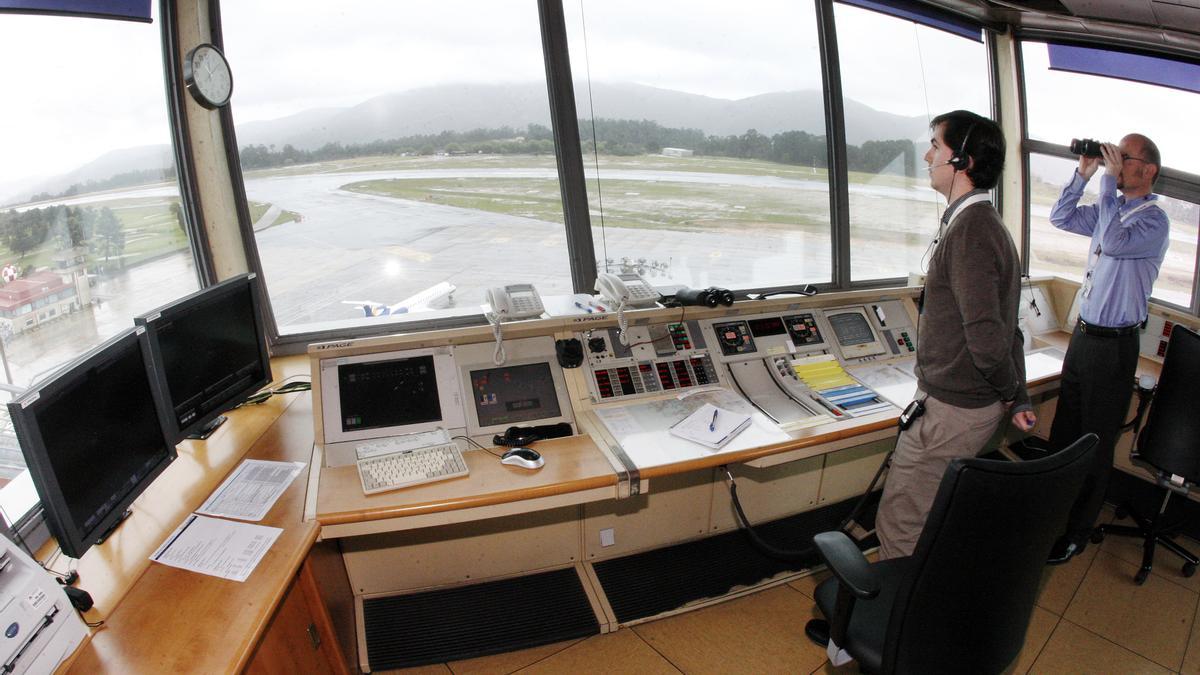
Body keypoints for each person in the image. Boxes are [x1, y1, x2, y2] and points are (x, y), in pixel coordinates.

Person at [874, 110, 1035, 560]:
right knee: (926, 513)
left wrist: (1009, 392)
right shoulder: (981, 224)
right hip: (964, 404)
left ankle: (889, 626)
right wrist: (1017, 396)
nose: (927, 156)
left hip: (952, 410)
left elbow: (986, 337)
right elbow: (1009, 328)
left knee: (901, 521)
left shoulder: (971, 232)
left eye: (935, 147)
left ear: (961, 160)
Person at [1045, 134, 1169, 564]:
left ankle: (1075, 533)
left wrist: (1107, 182)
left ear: (1147, 170)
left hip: (1115, 347)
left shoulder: (1154, 221)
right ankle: (1047, 518)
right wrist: (1084, 173)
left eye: (1124, 157)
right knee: (1064, 432)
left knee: (1094, 444)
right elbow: (1060, 217)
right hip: (1084, 337)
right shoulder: (1108, 209)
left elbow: (1114, 241)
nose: (1115, 162)